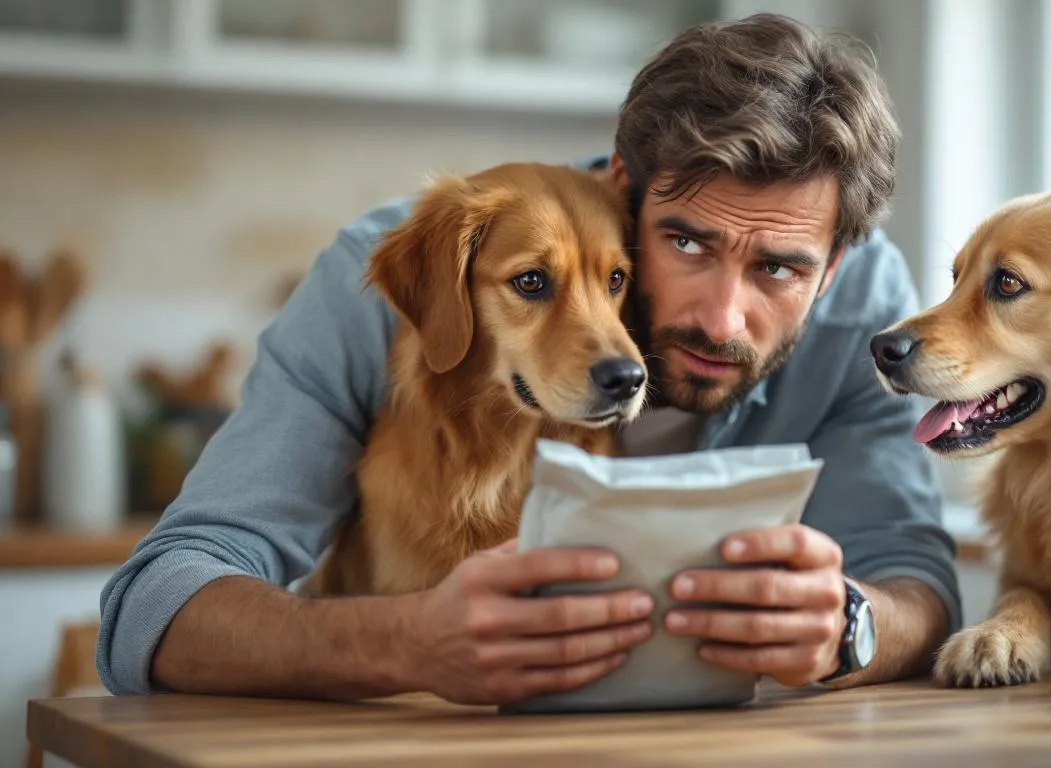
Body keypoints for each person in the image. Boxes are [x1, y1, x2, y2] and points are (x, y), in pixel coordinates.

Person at [95, 13, 960, 706]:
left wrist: (850, 623)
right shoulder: (379, 281)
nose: (721, 316)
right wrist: (405, 643)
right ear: (624, 185)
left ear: (835, 268)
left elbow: (915, 581)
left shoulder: (870, 309)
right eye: (687, 242)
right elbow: (154, 606)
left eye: (779, 267)